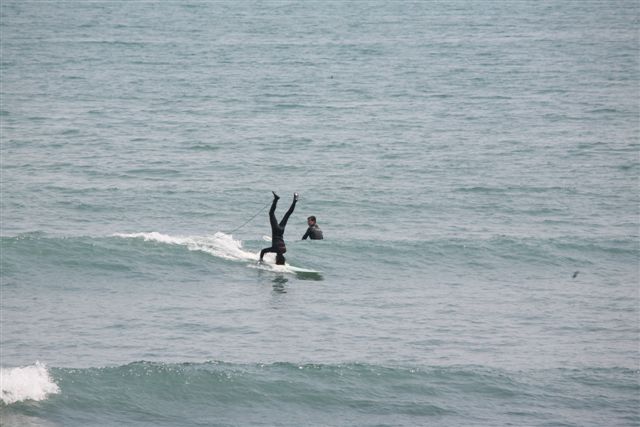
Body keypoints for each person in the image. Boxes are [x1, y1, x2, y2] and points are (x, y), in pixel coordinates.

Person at [259, 191, 298, 265]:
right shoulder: (274, 249)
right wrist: (261, 259)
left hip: (281, 230)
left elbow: (279, 252)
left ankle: (294, 201)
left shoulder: (284, 251)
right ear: (277, 259)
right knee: (271, 213)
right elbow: (263, 251)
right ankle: (276, 199)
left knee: (287, 214)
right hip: (276, 231)